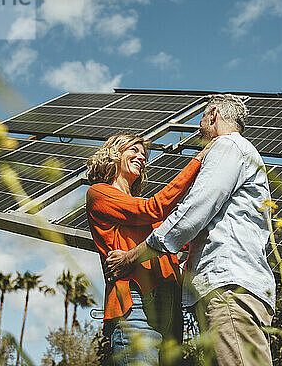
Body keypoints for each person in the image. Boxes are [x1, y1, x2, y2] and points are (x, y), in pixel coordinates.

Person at [106, 94, 277, 366]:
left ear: (213, 115)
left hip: (228, 288)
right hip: (231, 288)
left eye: (201, 119)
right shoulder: (242, 153)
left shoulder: (227, 146)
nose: (198, 128)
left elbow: (193, 212)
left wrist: (133, 256)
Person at [85, 134, 211, 366]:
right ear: (114, 154)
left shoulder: (139, 206)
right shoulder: (100, 193)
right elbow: (155, 208)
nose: (141, 156)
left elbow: (177, 237)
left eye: (143, 154)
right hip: (136, 302)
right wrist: (198, 160)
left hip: (170, 304)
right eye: (133, 150)